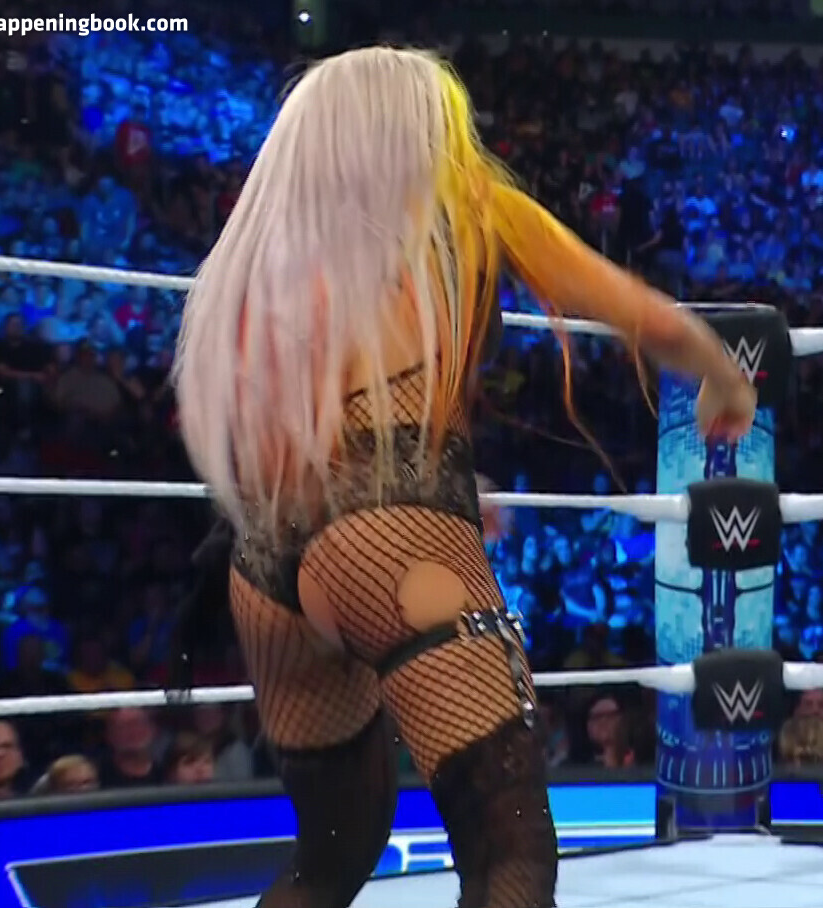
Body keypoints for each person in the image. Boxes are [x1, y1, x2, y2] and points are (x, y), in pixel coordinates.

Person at [173, 46, 756, 908]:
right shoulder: (464, 204)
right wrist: (724, 378)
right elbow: (645, 318)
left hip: (263, 562)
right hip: (393, 541)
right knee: (507, 848)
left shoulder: (272, 248)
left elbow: (290, 425)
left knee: (333, 852)